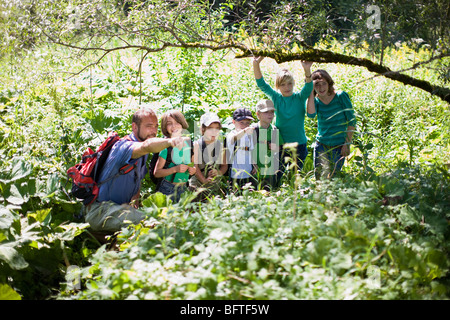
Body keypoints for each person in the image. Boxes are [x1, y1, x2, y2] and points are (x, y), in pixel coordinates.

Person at [84, 107, 187, 233]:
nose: (153, 131)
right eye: (149, 126)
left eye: (155, 126)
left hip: (118, 208)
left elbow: (137, 181)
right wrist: (170, 141)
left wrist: (134, 202)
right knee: (152, 222)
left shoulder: (142, 154)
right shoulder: (124, 147)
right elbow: (146, 146)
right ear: (135, 127)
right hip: (100, 210)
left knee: (158, 218)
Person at [253, 57, 313, 172]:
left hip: (299, 144)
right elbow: (261, 84)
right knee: (277, 175)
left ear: (294, 83)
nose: (287, 87)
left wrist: (307, 70)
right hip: (279, 145)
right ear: (278, 86)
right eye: (283, 84)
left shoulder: (299, 98)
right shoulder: (276, 98)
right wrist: (256, 63)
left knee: (295, 178)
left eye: (290, 83)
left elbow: (309, 87)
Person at [306, 69, 356, 179]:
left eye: (324, 83)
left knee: (334, 179)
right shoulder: (315, 101)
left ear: (329, 83)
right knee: (319, 179)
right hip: (321, 145)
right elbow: (310, 115)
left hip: (339, 146)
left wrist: (347, 144)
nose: (321, 88)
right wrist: (310, 91)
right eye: (317, 85)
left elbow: (352, 120)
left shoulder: (340, 96)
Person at [153, 110, 196, 202]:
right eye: (169, 123)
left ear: (182, 124)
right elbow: (157, 173)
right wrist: (175, 169)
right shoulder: (166, 147)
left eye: (177, 123)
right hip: (168, 188)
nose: (174, 126)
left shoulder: (189, 143)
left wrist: (193, 169)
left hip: (184, 188)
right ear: (165, 127)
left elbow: (193, 163)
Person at [189, 112, 228, 200]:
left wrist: (218, 172)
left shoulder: (221, 146)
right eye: (210, 128)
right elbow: (195, 166)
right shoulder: (197, 145)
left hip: (215, 187)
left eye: (217, 129)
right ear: (202, 129)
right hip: (197, 186)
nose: (214, 132)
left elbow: (224, 165)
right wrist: (204, 180)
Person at [252, 99, 284, 190]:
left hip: (270, 172)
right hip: (255, 171)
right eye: (266, 112)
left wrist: (276, 148)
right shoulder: (253, 130)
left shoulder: (274, 130)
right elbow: (248, 150)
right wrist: (253, 164)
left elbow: (281, 149)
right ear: (258, 114)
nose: (270, 115)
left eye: (272, 112)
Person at [226, 107, 258, 192]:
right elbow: (234, 139)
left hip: (248, 171)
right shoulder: (231, 134)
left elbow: (251, 151)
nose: (245, 126)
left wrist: (254, 164)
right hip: (235, 174)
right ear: (234, 122)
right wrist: (244, 131)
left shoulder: (249, 136)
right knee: (236, 193)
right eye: (241, 123)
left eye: (247, 123)